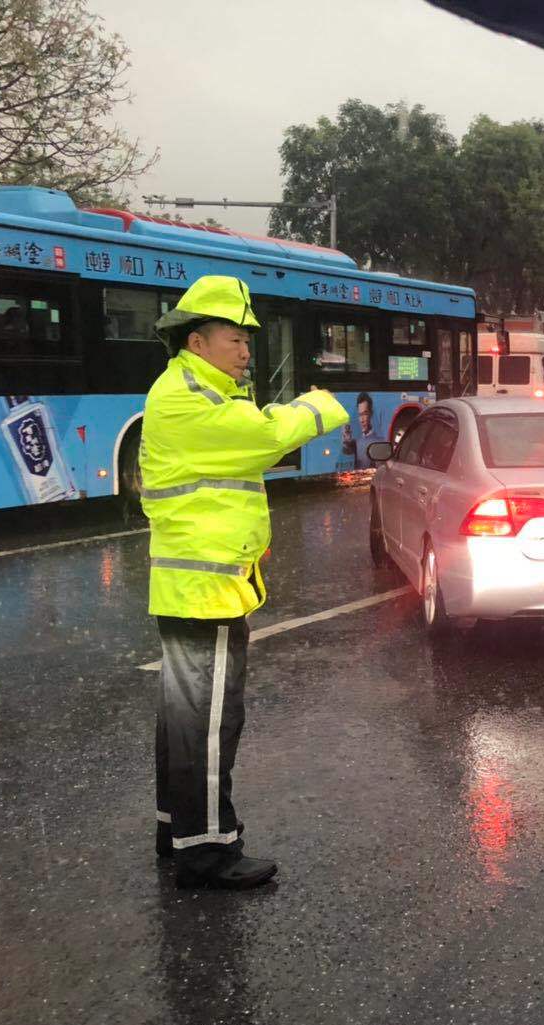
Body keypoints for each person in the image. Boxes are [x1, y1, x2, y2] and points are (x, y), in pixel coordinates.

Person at [144, 275, 348, 890]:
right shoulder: (187, 401)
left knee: (186, 721)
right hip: (203, 593)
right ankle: (206, 851)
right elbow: (265, 438)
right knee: (208, 725)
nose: (245, 351)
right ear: (199, 341)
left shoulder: (197, 392)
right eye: (236, 339)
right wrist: (319, 404)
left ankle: (176, 831)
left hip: (200, 589)